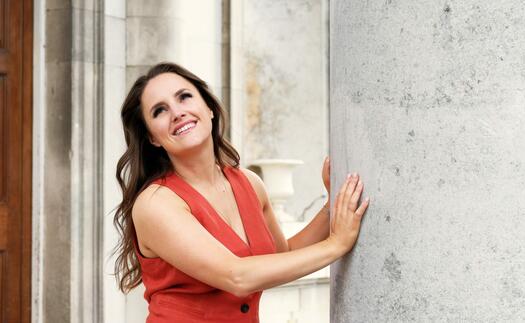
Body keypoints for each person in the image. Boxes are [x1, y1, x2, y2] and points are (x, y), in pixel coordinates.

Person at [113, 62, 370, 323]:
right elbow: (236, 276)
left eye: (184, 97)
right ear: (152, 138)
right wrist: (336, 244)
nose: (177, 113)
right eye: (160, 111)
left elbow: (282, 257)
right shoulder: (155, 204)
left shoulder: (249, 182)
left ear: (209, 108)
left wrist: (332, 205)